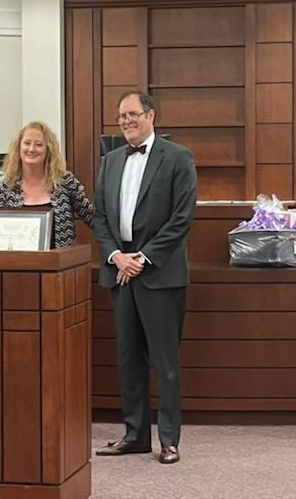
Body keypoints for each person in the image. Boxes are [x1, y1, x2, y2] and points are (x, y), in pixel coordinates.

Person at [92, 91, 197, 465]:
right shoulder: (110, 161)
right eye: (121, 116)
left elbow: (182, 218)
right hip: (120, 272)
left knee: (164, 361)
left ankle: (169, 439)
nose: (125, 121)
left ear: (151, 116)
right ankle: (135, 435)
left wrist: (144, 258)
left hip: (159, 273)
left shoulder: (178, 157)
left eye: (132, 114)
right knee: (128, 359)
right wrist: (116, 256)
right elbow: (99, 217)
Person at [0, 121, 93, 247]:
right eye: (27, 143)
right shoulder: (5, 188)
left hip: (60, 263)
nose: (31, 149)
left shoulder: (65, 182)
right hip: (17, 263)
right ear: (18, 147)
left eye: (39, 144)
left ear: (48, 149)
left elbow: (92, 217)